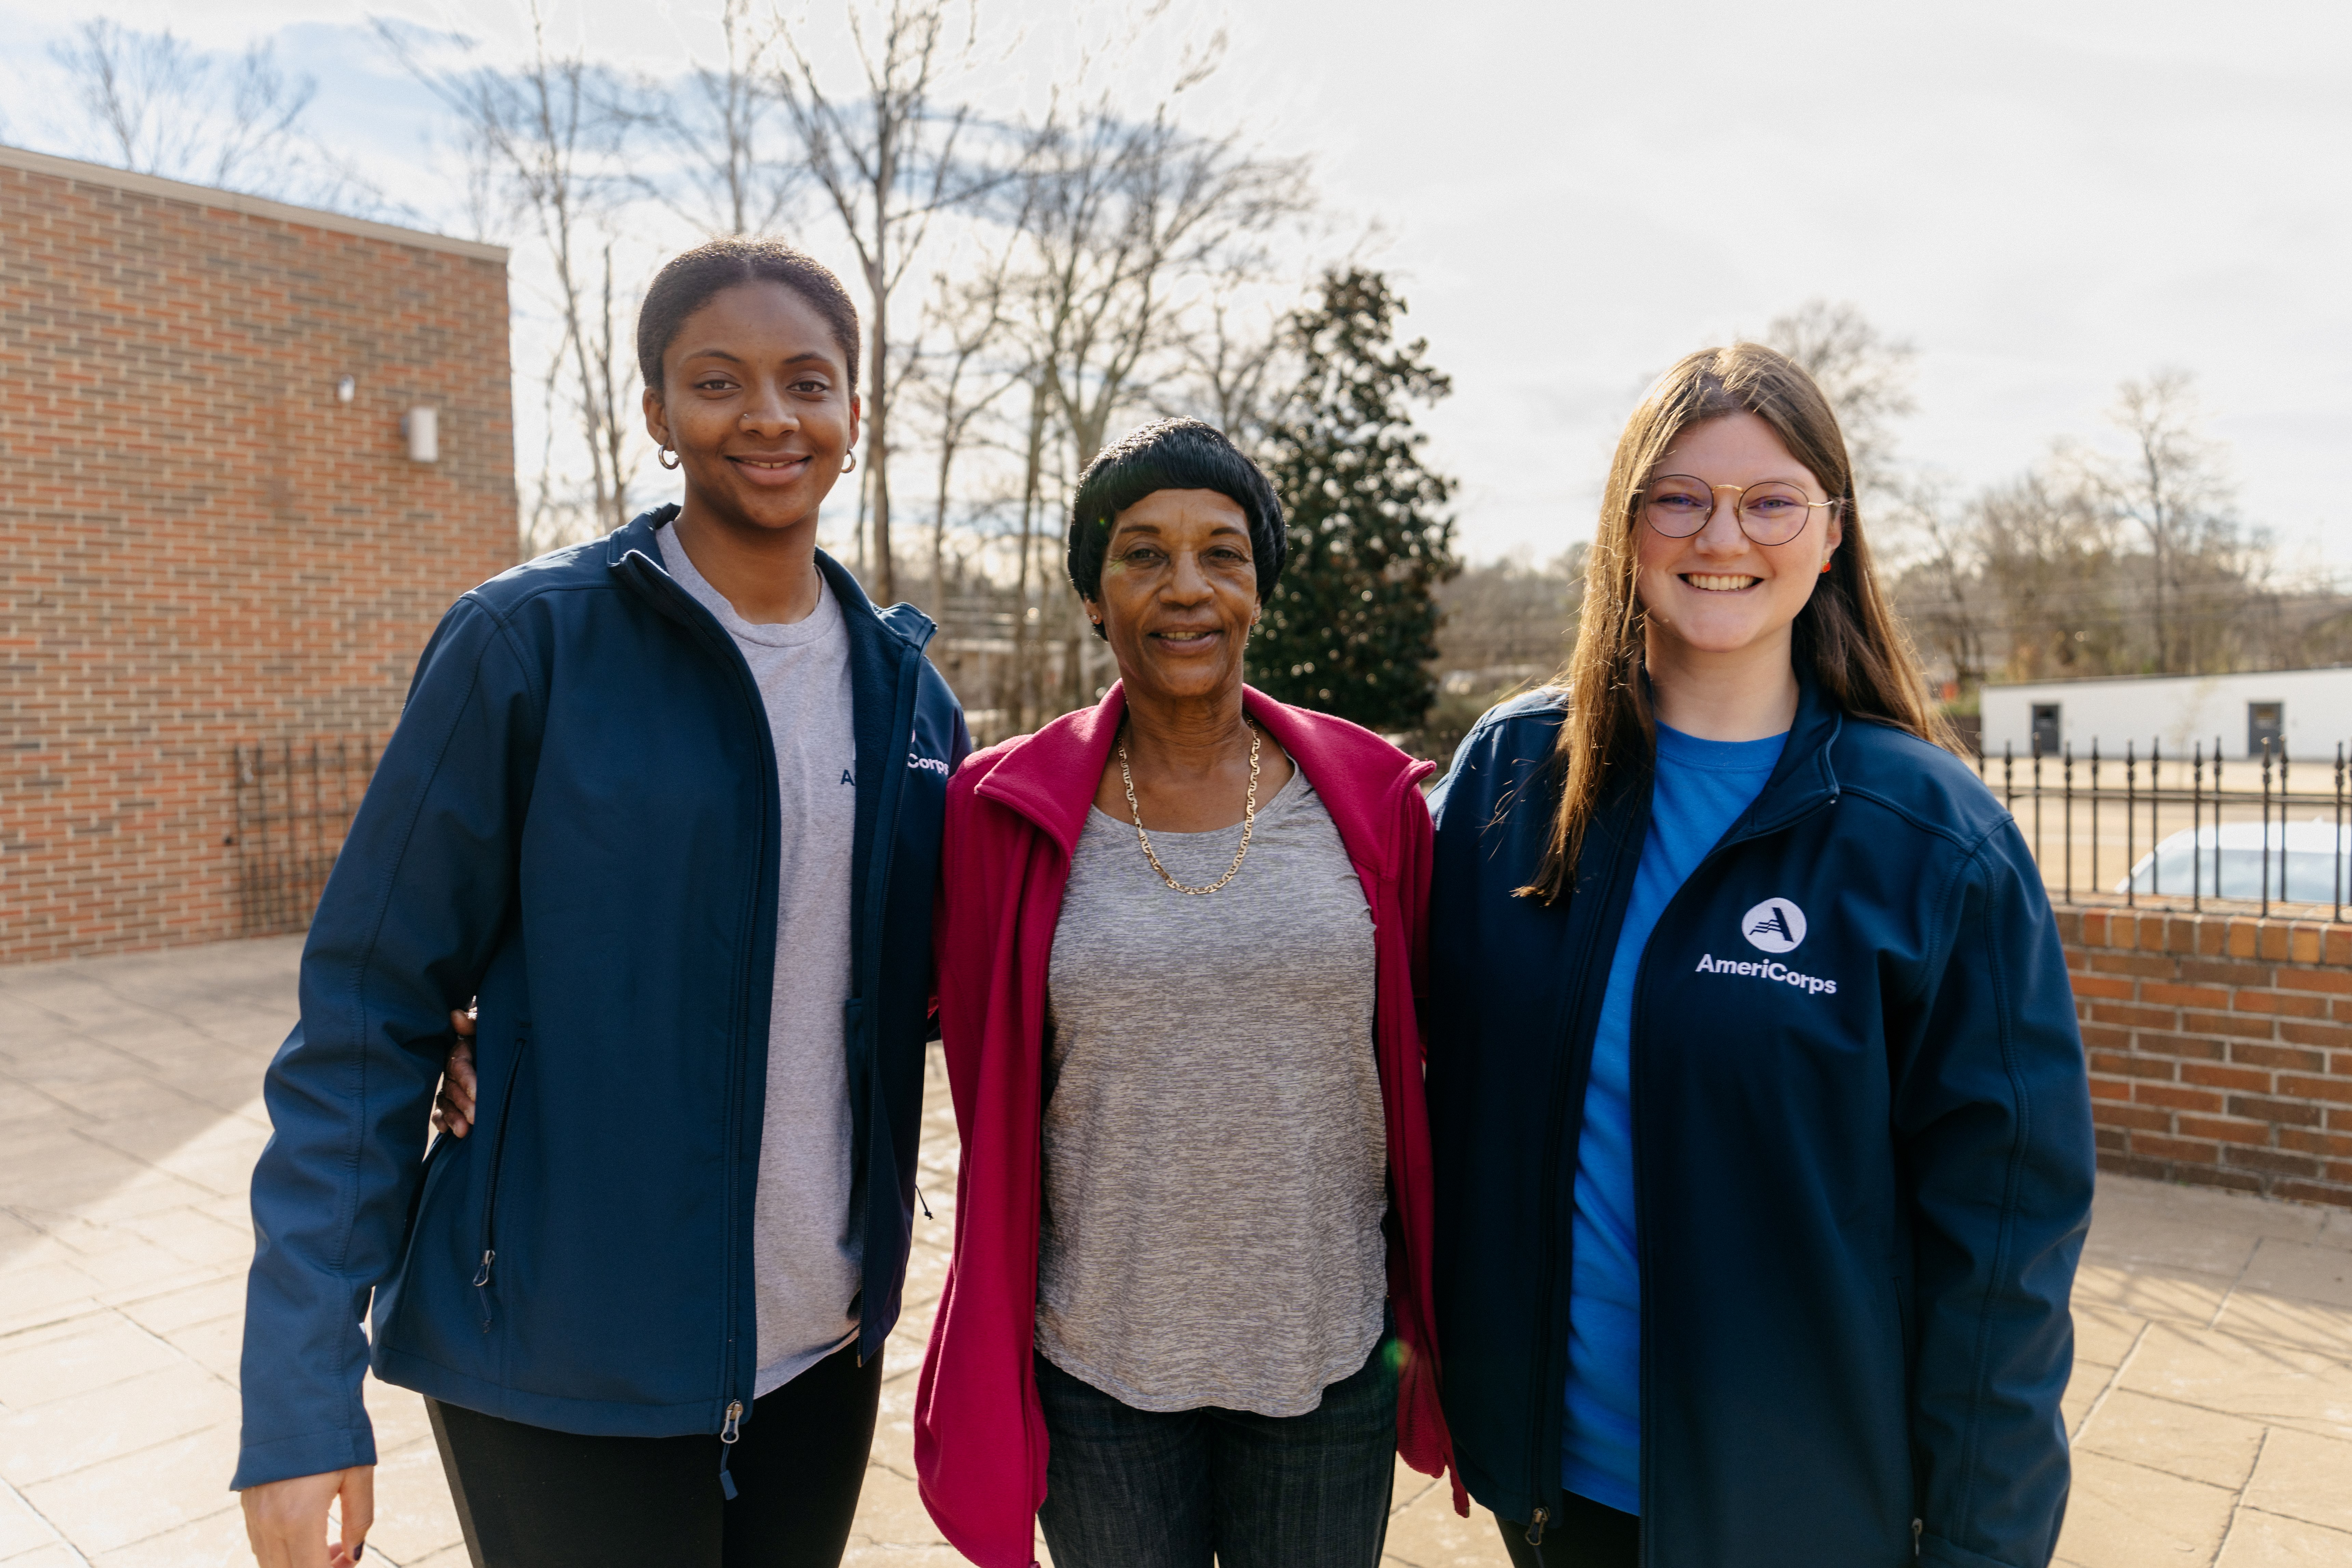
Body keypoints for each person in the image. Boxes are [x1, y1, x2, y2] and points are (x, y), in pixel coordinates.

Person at [233, 236, 968, 1568]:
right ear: (655, 412)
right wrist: (297, 1391)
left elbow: (878, 999)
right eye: (716, 380)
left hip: (818, 1355)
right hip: (563, 1365)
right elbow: (365, 1007)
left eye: (807, 382)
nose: (766, 416)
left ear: (854, 416)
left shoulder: (912, 701)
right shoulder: (526, 648)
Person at [1423, 345, 2093, 1568]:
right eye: (1677, 496)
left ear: (1829, 534)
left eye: (1769, 500)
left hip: (1801, 1506)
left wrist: (1983, 1543)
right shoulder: (1512, 782)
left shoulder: (1932, 844)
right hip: (1555, 1488)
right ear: (1625, 529)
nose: (1720, 533)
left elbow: (2003, 1243)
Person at [912, 418, 1459, 1568]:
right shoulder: (996, 812)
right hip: (1098, 1356)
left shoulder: (1373, 802)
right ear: (1091, 595)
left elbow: (1454, 1038)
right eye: (1142, 553)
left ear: (1260, 588)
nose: (1186, 588)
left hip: (1326, 1351)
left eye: (1222, 552)